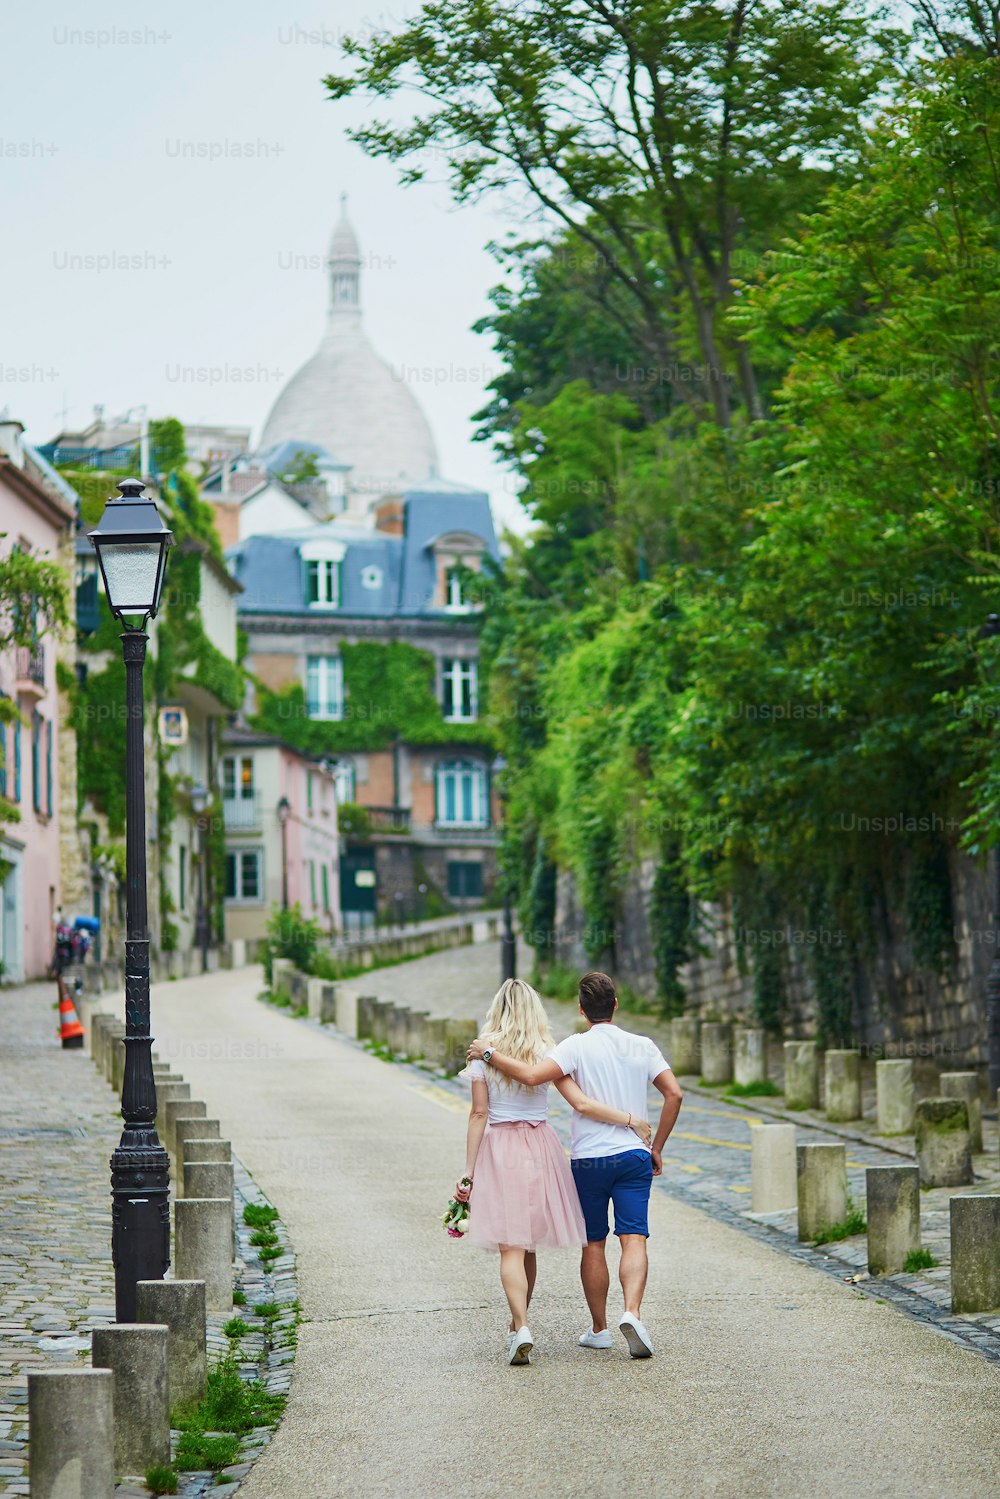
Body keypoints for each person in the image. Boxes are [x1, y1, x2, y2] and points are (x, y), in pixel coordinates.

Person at [468, 970, 682, 1359]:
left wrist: (487, 1053)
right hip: (628, 1154)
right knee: (634, 1237)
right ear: (616, 1005)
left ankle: (589, 1327)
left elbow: (514, 1092)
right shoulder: (640, 1045)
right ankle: (632, 1312)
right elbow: (674, 1093)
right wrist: (652, 1141)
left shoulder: (571, 1048)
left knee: (589, 1243)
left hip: (583, 1160)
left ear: (582, 1010)